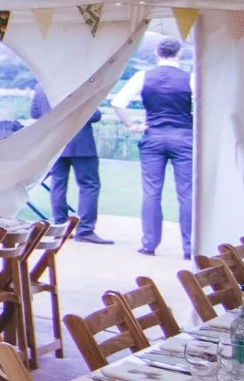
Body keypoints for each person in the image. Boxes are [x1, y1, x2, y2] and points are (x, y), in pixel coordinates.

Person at [123, 37, 195, 258]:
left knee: (152, 192)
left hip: (153, 135)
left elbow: (118, 102)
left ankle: (149, 243)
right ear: (179, 54)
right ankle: (189, 247)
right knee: (187, 193)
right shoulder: (190, 78)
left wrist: (133, 126)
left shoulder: (143, 76)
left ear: (157, 53)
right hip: (183, 136)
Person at [30, 85, 110, 243]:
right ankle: (85, 230)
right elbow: (94, 115)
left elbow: (34, 113)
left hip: (54, 143)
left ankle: (60, 226)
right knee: (89, 185)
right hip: (81, 143)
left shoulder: (41, 87)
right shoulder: (79, 84)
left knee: (58, 183)